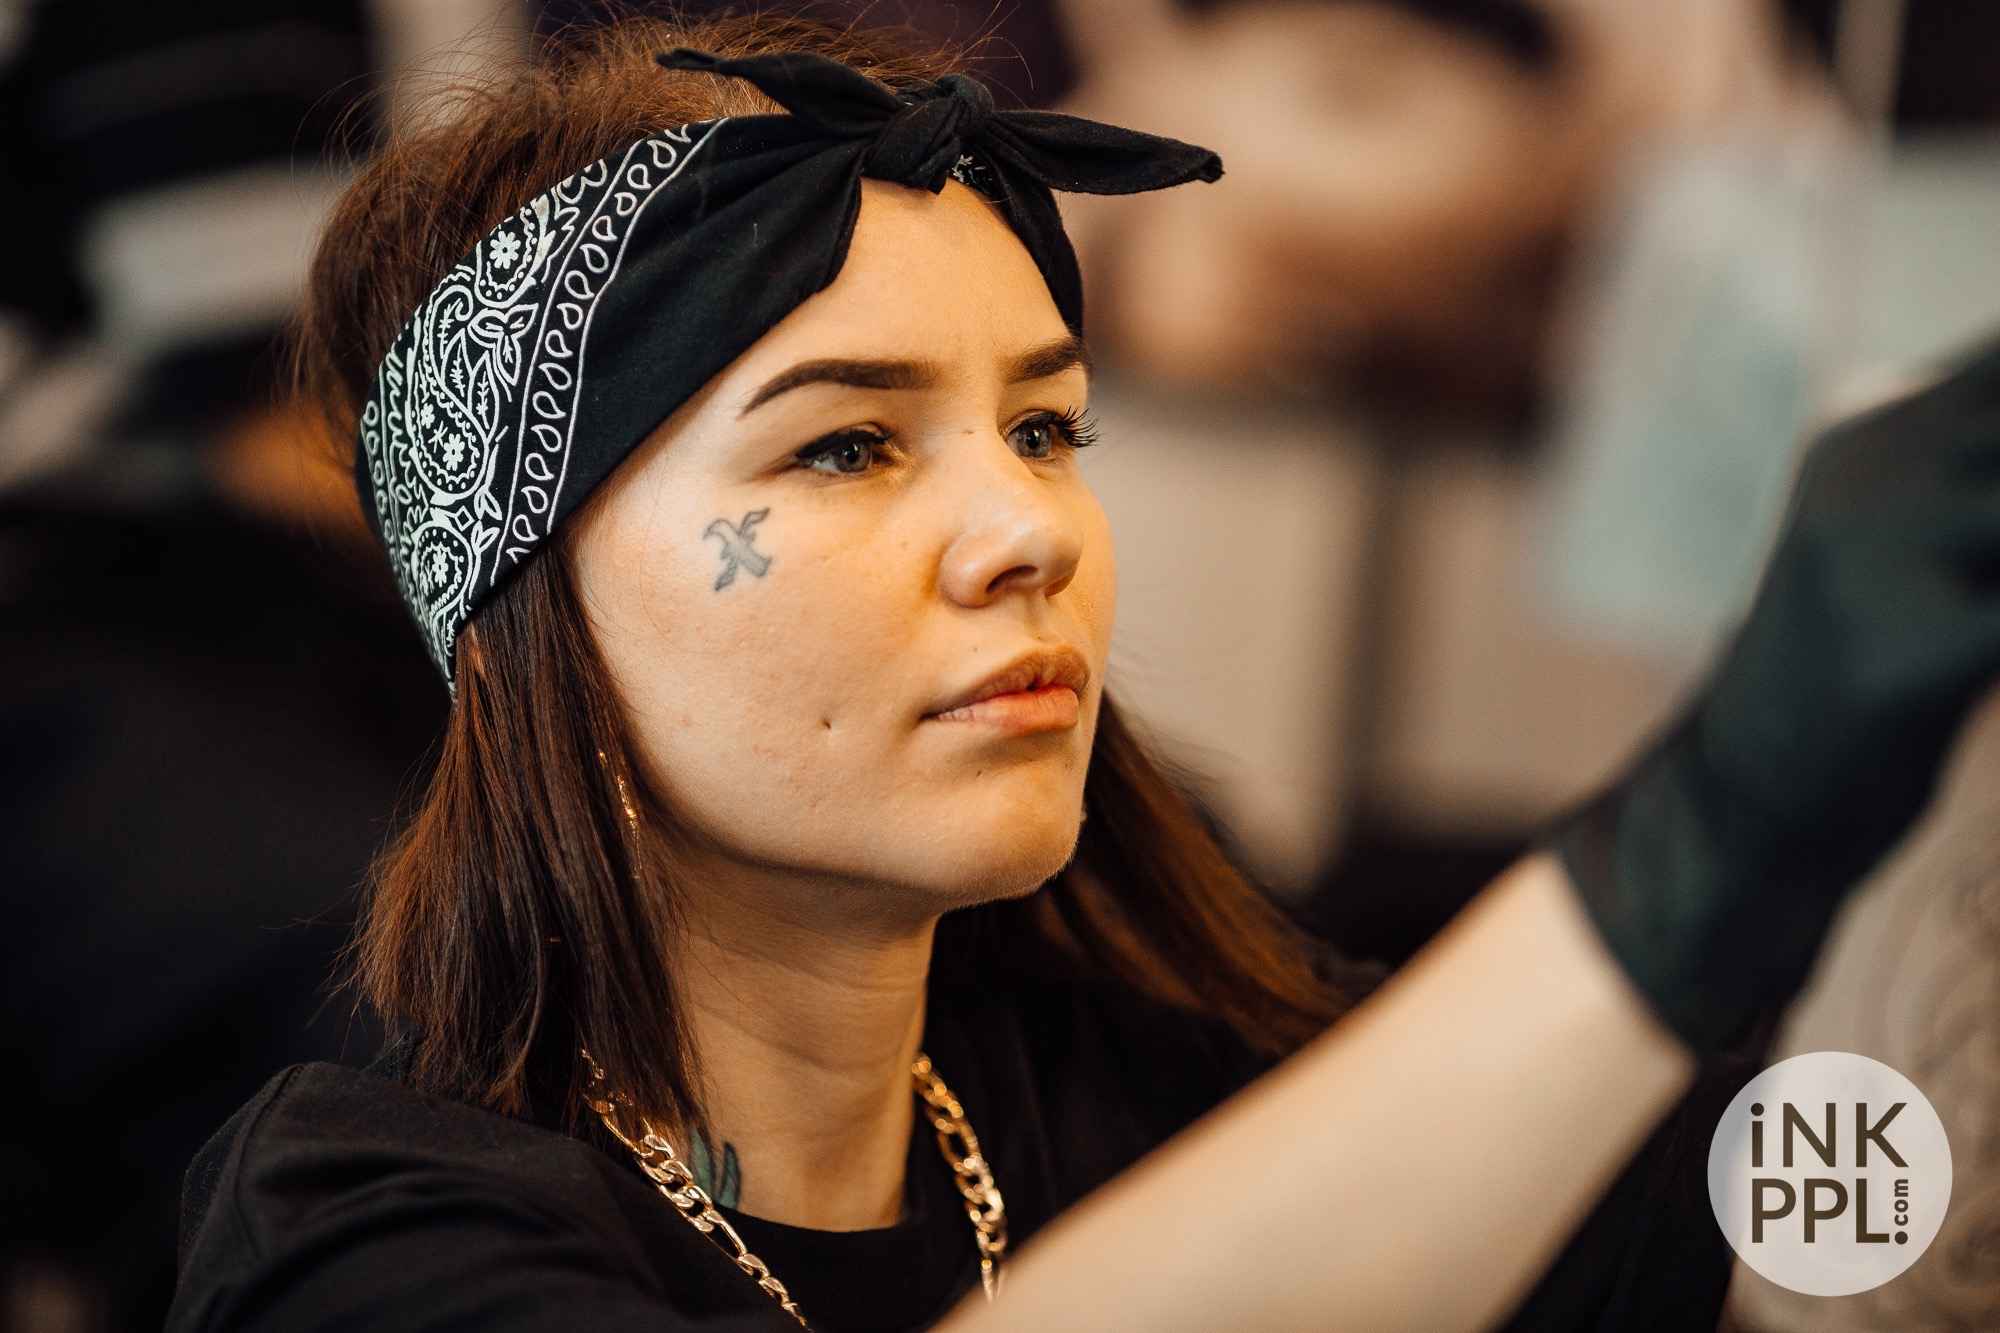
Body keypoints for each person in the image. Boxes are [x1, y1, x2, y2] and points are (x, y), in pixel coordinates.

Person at [165, 14, 2000, 1331]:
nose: (1025, 529)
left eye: (1045, 428)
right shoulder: (358, 1230)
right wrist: (1702, 847)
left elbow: (1796, 1233)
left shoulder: (1172, 1081)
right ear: (529, 612)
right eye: (847, 445)